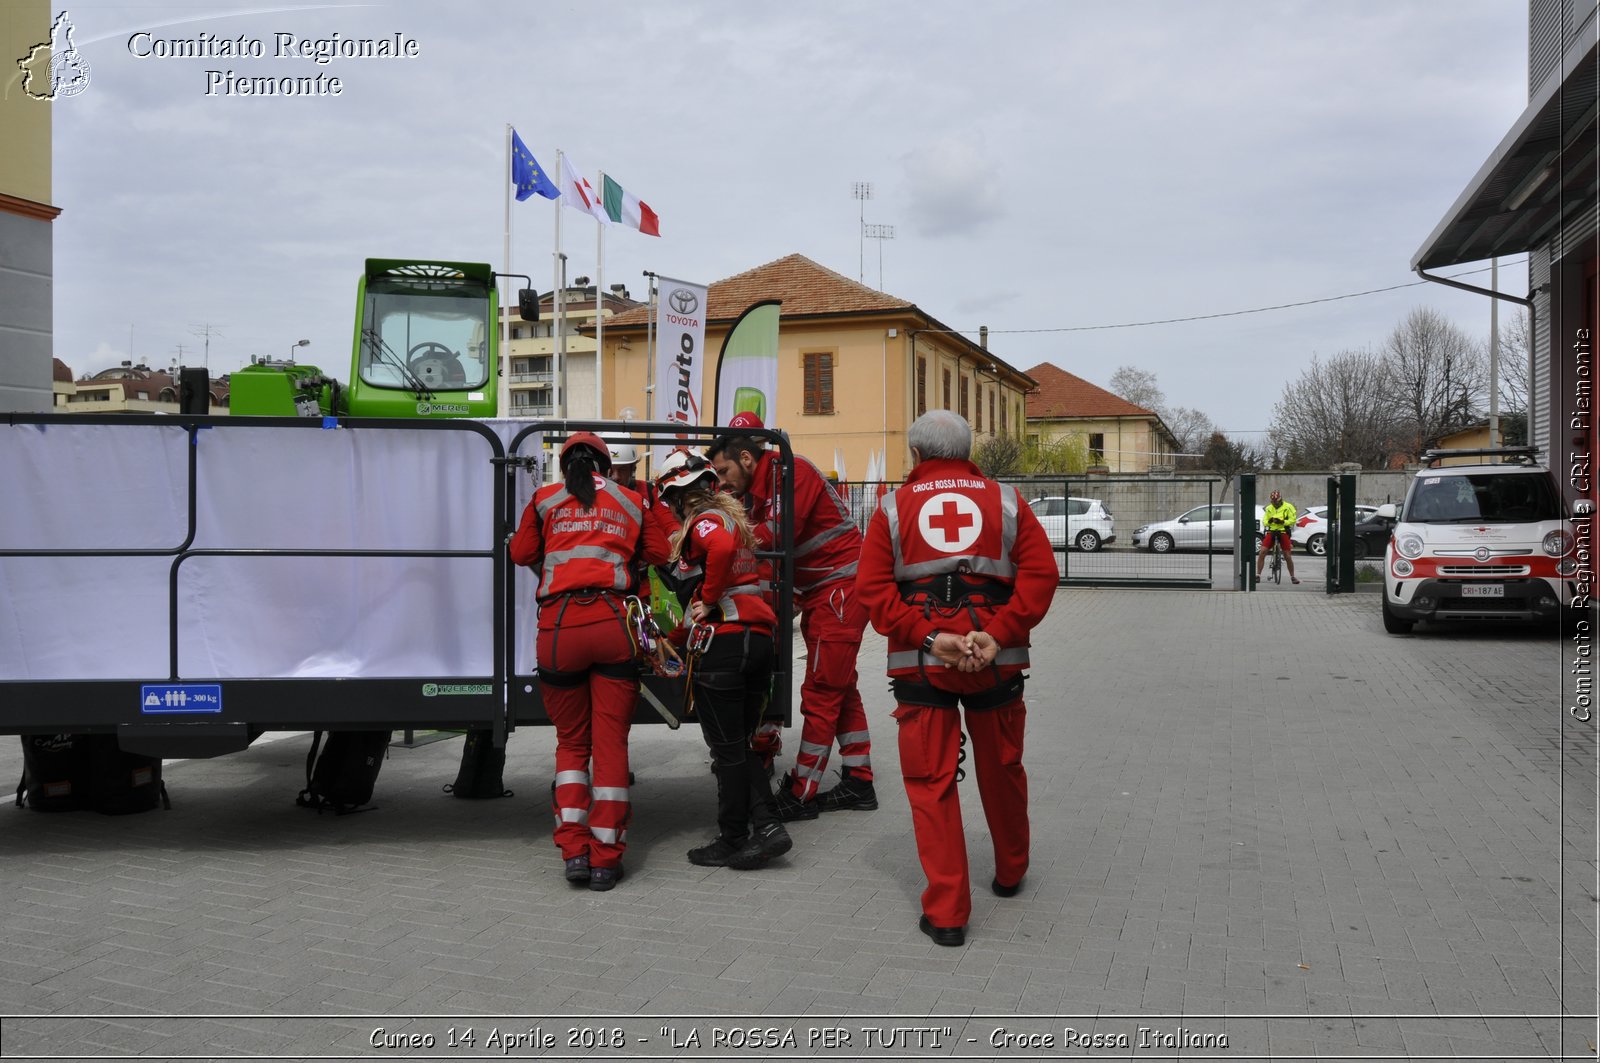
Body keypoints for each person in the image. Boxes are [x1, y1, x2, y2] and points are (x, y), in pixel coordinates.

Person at [855, 410, 1056, 947]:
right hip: (997, 660)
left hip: (923, 664)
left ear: (917, 456)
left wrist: (927, 637)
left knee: (931, 783)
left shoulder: (893, 508)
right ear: (970, 452)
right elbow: (1041, 574)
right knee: (1003, 768)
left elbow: (873, 589)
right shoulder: (1008, 502)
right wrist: (996, 631)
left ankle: (947, 914)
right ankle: (1011, 872)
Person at [508, 432, 670, 891]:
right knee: (611, 743)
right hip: (613, 625)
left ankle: (574, 853)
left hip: (558, 631)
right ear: (605, 464)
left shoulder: (544, 499)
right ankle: (606, 859)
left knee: (572, 746)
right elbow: (660, 553)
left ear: (565, 467)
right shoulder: (629, 498)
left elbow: (520, 554)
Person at [707, 412, 876, 819]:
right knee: (840, 686)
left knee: (820, 691)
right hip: (824, 590)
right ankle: (859, 779)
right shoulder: (759, 487)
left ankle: (801, 791)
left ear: (747, 458)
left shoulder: (791, 472)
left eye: (725, 470)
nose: (723, 481)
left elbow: (775, 535)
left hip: (839, 589)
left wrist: (718, 540)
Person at [655, 449, 792, 870]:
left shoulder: (708, 522)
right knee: (740, 745)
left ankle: (734, 837)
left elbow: (717, 559)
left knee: (727, 749)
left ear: (679, 496)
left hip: (726, 648)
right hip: (757, 642)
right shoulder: (734, 519)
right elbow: (708, 601)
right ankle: (766, 827)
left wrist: (710, 598)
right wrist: (670, 639)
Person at [1256, 489, 1300, 584]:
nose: (1274, 504)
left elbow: (1293, 520)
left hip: (1283, 531)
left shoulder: (1288, 507)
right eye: (1273, 502)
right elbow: (1264, 521)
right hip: (1272, 531)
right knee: (1262, 552)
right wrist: (1270, 521)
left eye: (1276, 502)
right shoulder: (1269, 508)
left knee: (1287, 555)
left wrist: (1283, 522)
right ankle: (1258, 575)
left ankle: (1293, 576)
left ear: (1280, 500)